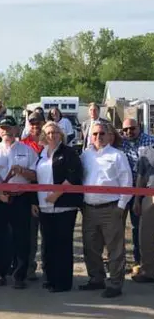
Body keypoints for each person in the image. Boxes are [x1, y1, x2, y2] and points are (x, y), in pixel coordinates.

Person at [0, 115, 38, 289]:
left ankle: (19, 275)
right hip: (0, 200)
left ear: (16, 130)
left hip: (21, 198)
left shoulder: (28, 151)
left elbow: (37, 175)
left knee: (22, 238)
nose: (6, 131)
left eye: (9, 128)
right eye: (3, 128)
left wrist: (22, 171)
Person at [80, 122, 132, 298]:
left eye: (102, 133)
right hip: (89, 209)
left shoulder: (118, 156)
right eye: (94, 134)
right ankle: (96, 279)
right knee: (90, 247)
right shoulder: (85, 155)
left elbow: (127, 182)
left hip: (111, 208)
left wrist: (121, 206)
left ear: (109, 135)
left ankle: (116, 284)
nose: (98, 137)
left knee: (115, 249)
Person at [32, 121, 83, 292]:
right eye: (48, 132)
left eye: (55, 132)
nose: (51, 135)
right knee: (47, 244)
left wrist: (57, 194)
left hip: (64, 206)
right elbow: (35, 180)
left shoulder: (69, 153)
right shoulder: (41, 154)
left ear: (61, 134)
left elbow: (74, 175)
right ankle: (49, 278)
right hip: (44, 207)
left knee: (62, 244)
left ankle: (62, 283)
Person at [122, 118, 154, 273]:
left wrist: (138, 197)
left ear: (139, 127)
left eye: (132, 128)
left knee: (140, 228)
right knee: (121, 227)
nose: (129, 132)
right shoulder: (121, 143)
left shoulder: (150, 142)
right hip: (125, 189)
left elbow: (143, 171)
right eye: (126, 130)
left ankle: (141, 261)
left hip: (144, 191)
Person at [21, 111, 45, 280]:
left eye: (38, 123)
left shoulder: (50, 142)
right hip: (30, 196)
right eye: (32, 123)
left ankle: (48, 267)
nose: (35, 126)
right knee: (29, 235)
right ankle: (29, 267)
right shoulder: (23, 145)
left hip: (49, 196)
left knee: (49, 236)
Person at [131, 145, 154, 283]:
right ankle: (149, 271)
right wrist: (137, 199)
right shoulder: (147, 152)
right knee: (146, 236)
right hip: (150, 194)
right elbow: (140, 177)